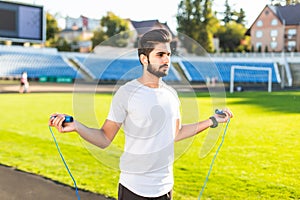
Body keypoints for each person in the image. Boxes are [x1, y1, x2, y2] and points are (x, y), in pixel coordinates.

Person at [49, 28, 233, 200]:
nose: (166, 60)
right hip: (133, 189)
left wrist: (212, 121)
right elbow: (105, 138)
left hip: (165, 188)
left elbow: (175, 133)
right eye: (160, 55)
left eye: (168, 55)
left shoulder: (171, 94)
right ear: (144, 59)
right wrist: (77, 126)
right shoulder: (126, 93)